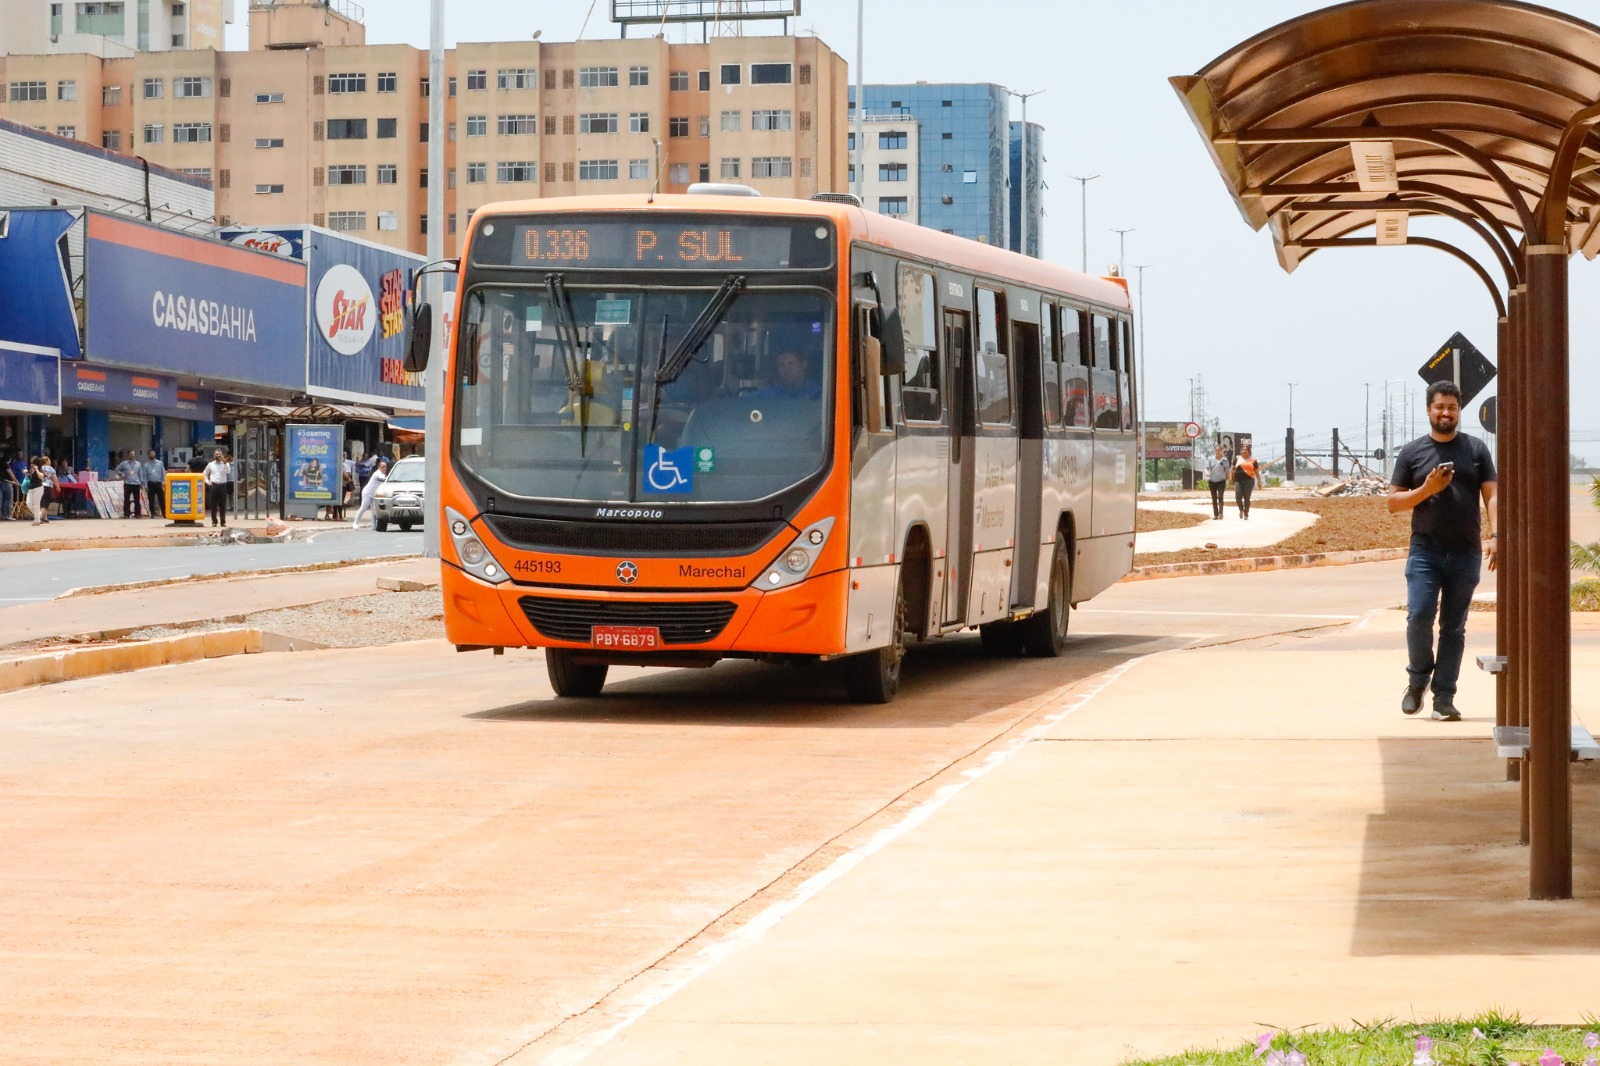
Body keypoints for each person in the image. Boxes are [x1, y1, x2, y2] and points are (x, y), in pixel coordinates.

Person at [1388, 380, 1498, 722]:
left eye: (1452, 407)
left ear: (1459, 410)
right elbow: (1393, 503)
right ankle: (1418, 680)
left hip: (1465, 552)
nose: (1446, 412)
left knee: (1454, 627)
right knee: (1419, 615)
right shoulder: (1412, 453)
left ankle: (1444, 698)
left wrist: (1497, 535)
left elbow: (1492, 495)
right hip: (1425, 551)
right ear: (1428, 410)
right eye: (1439, 407)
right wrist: (1428, 488)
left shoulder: (1476, 450)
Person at [351, 457, 387, 530]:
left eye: (385, 467)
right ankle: (355, 523)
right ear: (379, 467)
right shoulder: (377, 473)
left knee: (374, 510)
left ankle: (374, 525)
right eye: (383, 467)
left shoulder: (383, 474)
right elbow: (382, 480)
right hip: (367, 493)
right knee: (363, 508)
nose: (384, 468)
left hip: (374, 494)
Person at [1229, 442, 1260, 520]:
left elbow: (1256, 472)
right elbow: (1232, 469)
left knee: (1247, 498)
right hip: (1238, 481)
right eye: (1242, 449)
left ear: (1249, 451)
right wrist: (1230, 479)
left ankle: (1246, 513)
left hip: (1249, 481)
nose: (1244, 451)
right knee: (1238, 497)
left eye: (1246, 449)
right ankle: (1241, 510)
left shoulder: (1253, 460)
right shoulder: (1237, 458)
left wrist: (1259, 481)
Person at [203, 448, 230, 527]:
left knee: (223, 505)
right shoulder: (211, 464)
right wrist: (208, 482)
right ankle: (214, 521)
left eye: (219, 454)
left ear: (222, 455)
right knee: (213, 505)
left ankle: (223, 522)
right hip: (214, 486)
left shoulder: (225, 464)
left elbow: (228, 471)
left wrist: (224, 463)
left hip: (222, 486)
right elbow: (204, 473)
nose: (218, 456)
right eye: (216, 454)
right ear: (214, 455)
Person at [1203, 444, 1229, 520]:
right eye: (1216, 450)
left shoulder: (1224, 460)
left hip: (1221, 481)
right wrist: (1207, 473)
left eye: (1219, 450)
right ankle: (1215, 514)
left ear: (1221, 451)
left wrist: (1229, 479)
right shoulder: (1210, 459)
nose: (1217, 452)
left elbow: (1227, 471)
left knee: (1220, 497)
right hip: (1212, 481)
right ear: (1215, 451)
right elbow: (1206, 468)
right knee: (1214, 498)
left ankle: (1221, 513)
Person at [115, 450, 144, 518]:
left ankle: (137, 514)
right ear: (128, 455)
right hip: (128, 483)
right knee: (126, 499)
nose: (132, 455)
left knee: (137, 500)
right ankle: (126, 514)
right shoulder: (124, 463)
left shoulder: (138, 464)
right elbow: (117, 469)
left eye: (133, 454)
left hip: (136, 484)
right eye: (130, 454)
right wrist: (122, 474)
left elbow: (140, 474)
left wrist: (142, 483)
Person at [143, 449, 167, 519]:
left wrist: (163, 482)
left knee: (161, 499)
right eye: (150, 454)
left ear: (155, 454)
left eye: (153, 453)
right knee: (151, 500)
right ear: (148, 455)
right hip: (150, 484)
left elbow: (163, 473)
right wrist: (145, 485)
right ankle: (152, 514)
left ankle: (164, 513)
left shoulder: (159, 463)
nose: (152, 455)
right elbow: (145, 476)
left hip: (159, 483)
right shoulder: (146, 465)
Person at [23, 457, 47, 525]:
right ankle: (38, 516)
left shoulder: (40, 469)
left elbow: (41, 476)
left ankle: (37, 520)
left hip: (38, 488)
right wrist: (26, 473)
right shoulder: (31, 469)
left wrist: (36, 469)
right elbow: (29, 478)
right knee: (28, 503)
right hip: (31, 489)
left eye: (33, 463)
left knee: (36, 504)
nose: (32, 465)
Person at [0, 453, 18, 521]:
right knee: (8, 499)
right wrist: (16, 481)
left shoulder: (1, 465)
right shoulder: (6, 465)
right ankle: (7, 515)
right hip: (7, 482)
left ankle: (3, 515)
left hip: (2, 482)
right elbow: (11, 474)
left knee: (4, 500)